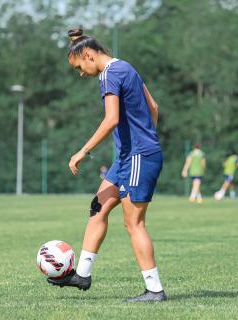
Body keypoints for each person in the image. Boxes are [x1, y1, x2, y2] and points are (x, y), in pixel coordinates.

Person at [47, 28, 166, 302]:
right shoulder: (126, 67)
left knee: (134, 223)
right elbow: (154, 107)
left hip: (138, 156)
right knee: (98, 207)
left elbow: (111, 119)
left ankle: (155, 290)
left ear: (88, 55)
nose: (81, 73)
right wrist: (145, 137)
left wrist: (82, 151)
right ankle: (82, 275)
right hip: (129, 157)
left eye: (79, 66)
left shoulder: (109, 74)